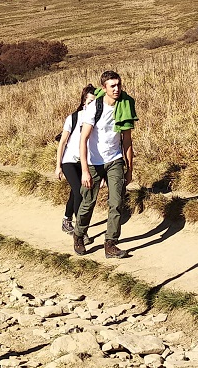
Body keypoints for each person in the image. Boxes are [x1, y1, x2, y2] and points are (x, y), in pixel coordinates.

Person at [73, 71, 138, 259]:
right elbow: (83, 139)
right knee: (88, 202)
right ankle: (79, 234)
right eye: (112, 86)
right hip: (94, 162)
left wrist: (129, 169)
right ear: (104, 88)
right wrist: (84, 170)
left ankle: (110, 243)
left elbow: (127, 141)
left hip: (114, 160)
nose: (117, 89)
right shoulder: (94, 108)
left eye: (118, 85)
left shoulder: (125, 106)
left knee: (116, 202)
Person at [54, 84, 96, 234]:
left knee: (75, 191)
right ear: (84, 101)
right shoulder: (73, 118)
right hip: (69, 161)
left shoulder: (97, 119)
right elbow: (63, 142)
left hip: (84, 162)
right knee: (79, 192)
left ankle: (66, 220)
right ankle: (80, 230)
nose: (92, 105)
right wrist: (58, 166)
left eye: (95, 102)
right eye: (90, 101)